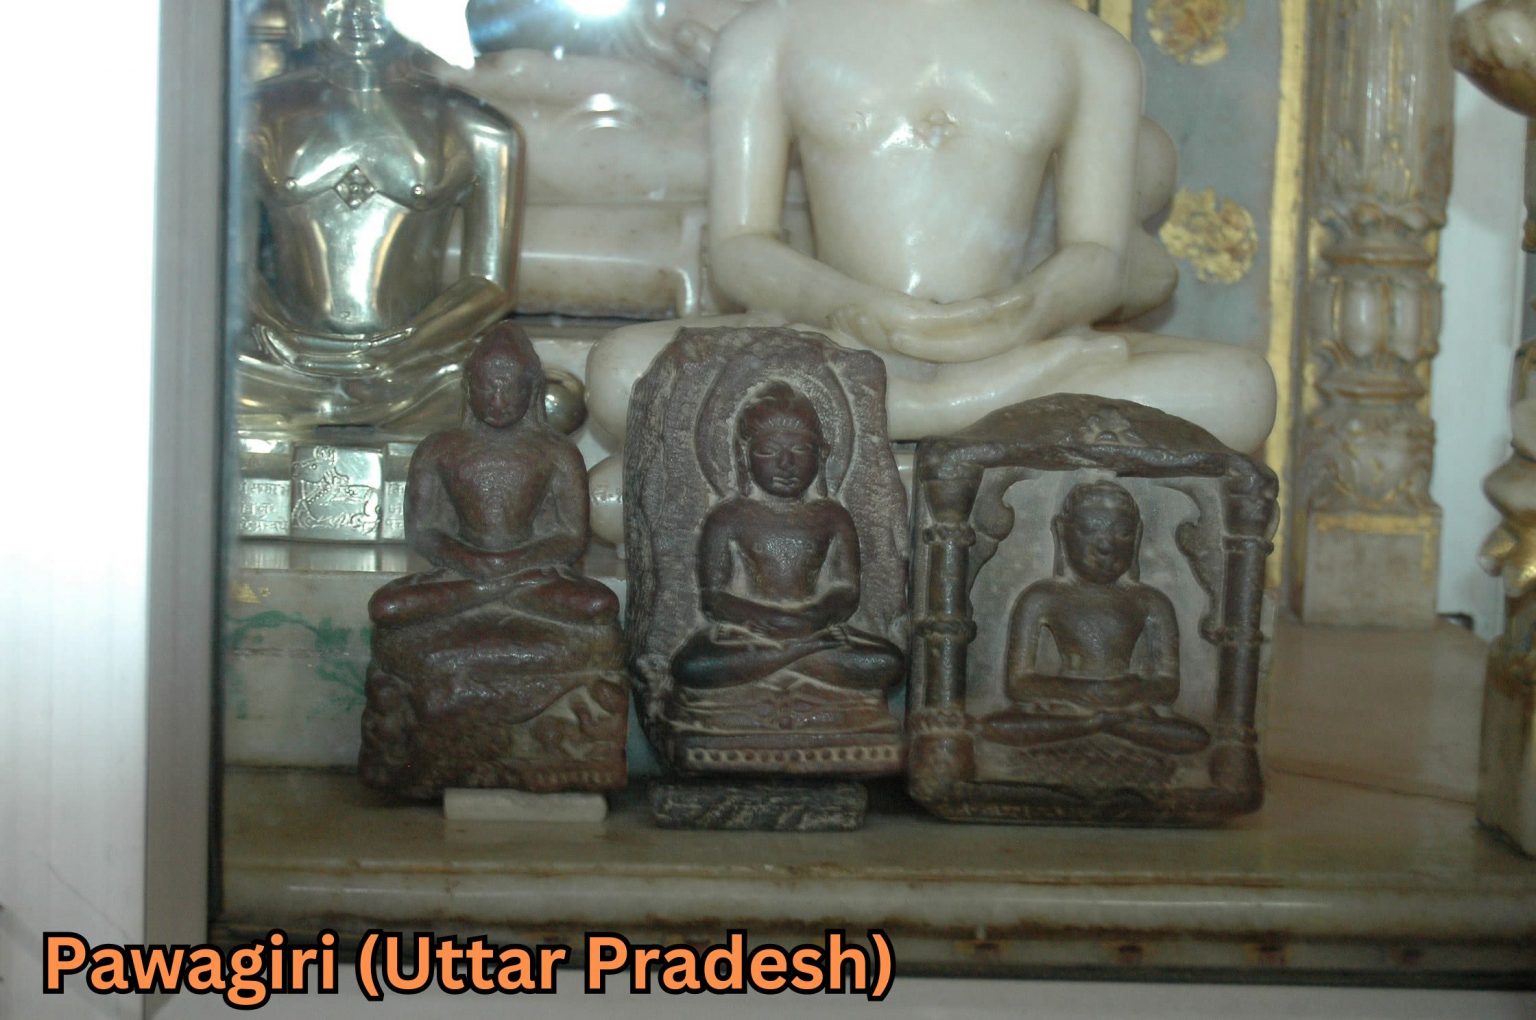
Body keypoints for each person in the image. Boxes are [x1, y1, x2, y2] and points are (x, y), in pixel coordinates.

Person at [240, 0, 521, 427]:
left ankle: (336, 406)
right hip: (282, 361)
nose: (359, 13)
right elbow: (228, 261)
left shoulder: (479, 129)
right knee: (200, 383)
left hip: (415, 368)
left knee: (545, 399)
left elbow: (489, 284)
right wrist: (280, 336)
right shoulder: (254, 113)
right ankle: (325, 402)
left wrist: (398, 349)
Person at [668, 383, 904, 723]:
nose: (785, 463)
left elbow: (846, 590)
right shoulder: (728, 518)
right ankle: (800, 656)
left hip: (817, 631)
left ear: (822, 454)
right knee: (691, 665)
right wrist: (768, 620)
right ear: (743, 456)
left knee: (888, 661)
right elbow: (714, 598)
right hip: (749, 636)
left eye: (800, 449)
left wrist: (815, 615)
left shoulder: (833, 516)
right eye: (768, 450)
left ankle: (782, 660)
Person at [982, 480, 1210, 755]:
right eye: (1089, 530)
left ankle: (1098, 723)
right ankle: (1098, 724)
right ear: (1062, 532)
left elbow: (1167, 684)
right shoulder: (1041, 598)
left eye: (1122, 533)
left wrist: (1128, 692)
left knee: (1193, 736)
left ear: (1138, 535)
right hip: (1065, 709)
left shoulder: (1151, 602)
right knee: (997, 726)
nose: (1105, 546)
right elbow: (1019, 683)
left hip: (1127, 708)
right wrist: (1081, 692)